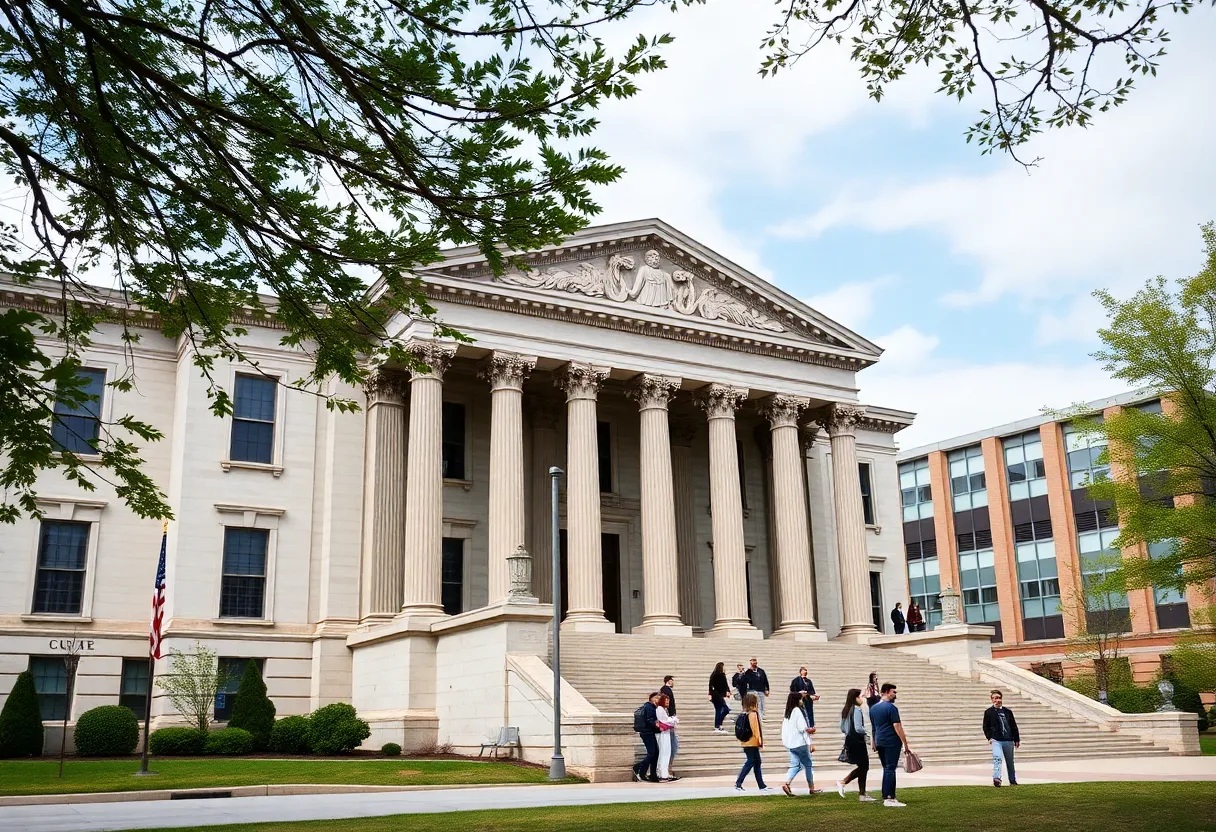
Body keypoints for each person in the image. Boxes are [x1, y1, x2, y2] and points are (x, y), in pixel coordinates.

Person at [868, 682, 912, 807]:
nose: (895, 694)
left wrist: (874, 741)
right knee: (890, 768)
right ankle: (889, 797)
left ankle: (886, 794)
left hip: (880, 740)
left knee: (886, 768)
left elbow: (874, 727)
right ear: (887, 692)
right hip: (891, 741)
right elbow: (897, 726)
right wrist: (905, 744)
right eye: (894, 692)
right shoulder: (892, 708)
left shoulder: (873, 708)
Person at [836, 688, 876, 802]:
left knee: (863, 767)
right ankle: (844, 782)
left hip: (850, 739)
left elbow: (842, 727)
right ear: (855, 698)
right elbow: (858, 728)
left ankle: (862, 794)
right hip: (857, 741)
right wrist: (868, 733)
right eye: (860, 696)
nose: (862, 699)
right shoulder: (857, 710)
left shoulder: (846, 710)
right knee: (864, 766)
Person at [780, 691, 820, 796]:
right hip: (799, 743)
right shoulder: (797, 711)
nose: (802, 701)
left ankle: (787, 784)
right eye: (800, 699)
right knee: (808, 765)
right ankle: (811, 788)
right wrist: (811, 732)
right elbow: (803, 729)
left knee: (795, 765)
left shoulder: (788, 713)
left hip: (790, 743)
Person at [734, 692, 773, 793]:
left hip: (746, 742)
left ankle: (761, 785)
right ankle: (738, 783)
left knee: (756, 762)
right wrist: (760, 741)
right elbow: (755, 729)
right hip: (752, 742)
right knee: (751, 762)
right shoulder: (753, 714)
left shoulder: (745, 713)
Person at [983, 689, 1021, 787]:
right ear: (991, 700)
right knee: (997, 758)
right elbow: (985, 726)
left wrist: (1016, 739)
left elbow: (1013, 725)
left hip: (1008, 739)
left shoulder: (1008, 712)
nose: (997, 700)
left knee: (1010, 762)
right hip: (996, 739)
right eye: (995, 698)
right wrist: (989, 738)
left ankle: (1012, 780)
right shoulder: (989, 712)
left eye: (999, 698)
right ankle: (997, 778)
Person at [632, 692, 662, 783]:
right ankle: (638, 767)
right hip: (647, 732)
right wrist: (657, 725)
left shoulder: (651, 707)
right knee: (652, 753)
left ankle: (650, 774)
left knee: (655, 753)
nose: (659, 701)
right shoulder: (649, 706)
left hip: (649, 732)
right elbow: (650, 720)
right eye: (658, 698)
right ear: (653, 699)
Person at [655, 692, 679, 782]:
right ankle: (662, 774)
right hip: (663, 734)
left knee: (666, 752)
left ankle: (663, 772)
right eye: (666, 701)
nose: (668, 703)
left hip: (666, 733)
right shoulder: (660, 709)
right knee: (664, 752)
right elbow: (665, 721)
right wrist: (673, 720)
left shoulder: (663, 709)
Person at [659, 675, 680, 777]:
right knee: (671, 747)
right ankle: (666, 770)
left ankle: (668, 769)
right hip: (666, 729)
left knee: (673, 746)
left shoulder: (665, 690)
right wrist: (673, 718)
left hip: (670, 722)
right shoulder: (665, 690)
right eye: (672, 680)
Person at [709, 662, 731, 732]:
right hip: (717, 696)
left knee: (721, 710)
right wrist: (727, 692)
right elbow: (724, 685)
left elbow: (711, 685)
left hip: (716, 696)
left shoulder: (714, 675)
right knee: (723, 709)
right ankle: (718, 725)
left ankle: (718, 725)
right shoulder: (719, 675)